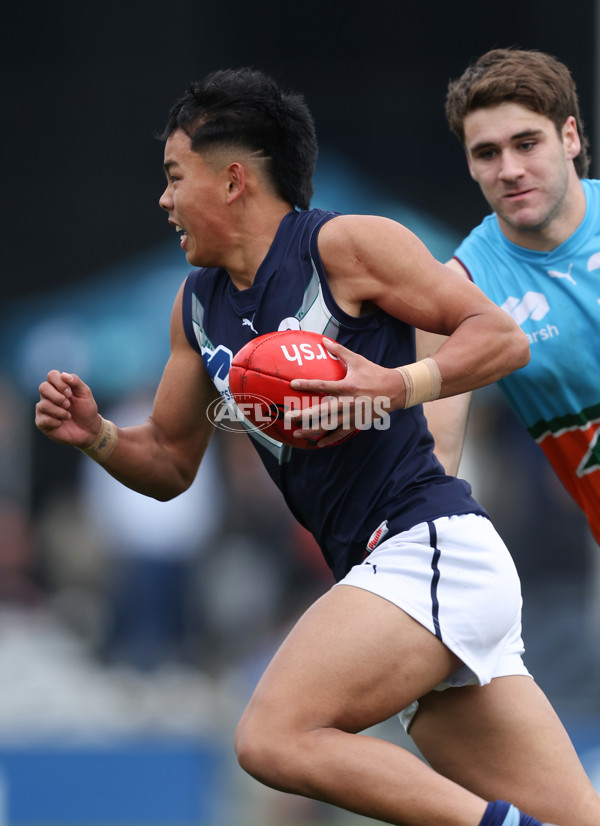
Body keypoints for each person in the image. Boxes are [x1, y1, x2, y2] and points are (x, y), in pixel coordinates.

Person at [34, 67, 599, 826]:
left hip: (430, 548)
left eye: (175, 177)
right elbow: (169, 465)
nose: (164, 200)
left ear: (233, 179)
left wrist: (395, 385)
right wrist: (99, 436)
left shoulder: (346, 245)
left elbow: (499, 339)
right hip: (396, 574)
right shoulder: (195, 309)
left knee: (272, 736)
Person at [419, 49, 600, 558]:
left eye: (526, 144)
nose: (510, 169)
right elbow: (432, 464)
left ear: (569, 137)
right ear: (471, 166)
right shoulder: (459, 294)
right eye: (488, 153)